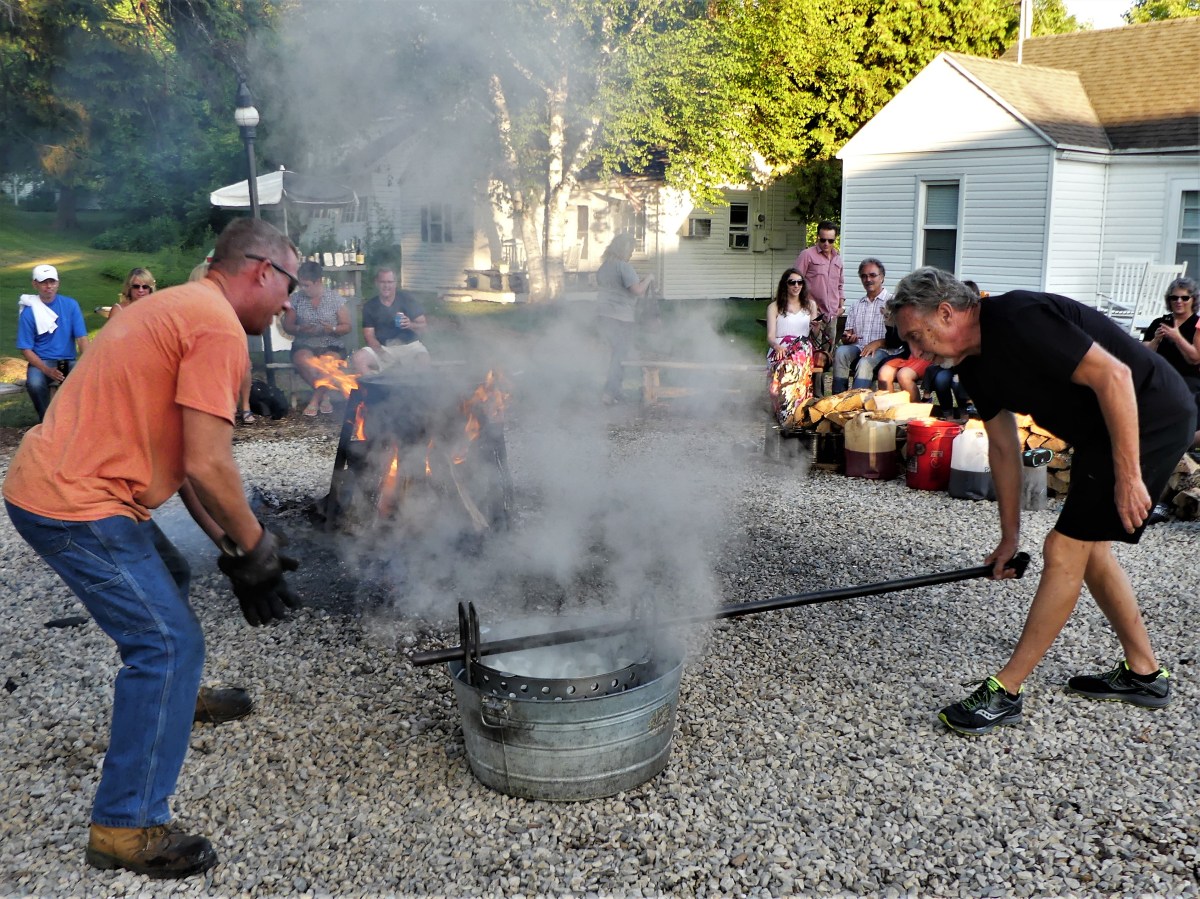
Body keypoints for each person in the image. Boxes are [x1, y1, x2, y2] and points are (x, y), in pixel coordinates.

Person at [3, 217, 302, 878]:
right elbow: (211, 462)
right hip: (75, 503)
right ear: (260, 271)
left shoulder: (182, 304)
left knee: (165, 573)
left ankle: (171, 698)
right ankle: (125, 825)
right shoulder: (219, 326)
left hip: (65, 485)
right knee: (166, 645)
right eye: (290, 285)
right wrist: (259, 552)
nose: (290, 304)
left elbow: (191, 467)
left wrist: (233, 546)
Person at [887, 267, 1195, 736]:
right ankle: (1145, 675)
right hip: (1100, 432)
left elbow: (1114, 377)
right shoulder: (973, 365)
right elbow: (1004, 447)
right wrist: (1008, 537)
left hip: (1148, 413)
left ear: (945, 312)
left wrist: (1130, 475)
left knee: (1064, 547)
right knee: (1090, 550)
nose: (914, 351)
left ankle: (1006, 691)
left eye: (915, 335)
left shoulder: (1018, 318)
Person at [1141, 276, 1200, 522]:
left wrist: (1176, 337)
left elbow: (1195, 358)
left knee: (1173, 438)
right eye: (1174, 297)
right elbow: (1140, 354)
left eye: (1184, 297)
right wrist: (1156, 339)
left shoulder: (1197, 324)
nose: (1179, 302)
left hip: (1188, 382)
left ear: (1192, 300)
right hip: (1161, 382)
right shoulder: (1160, 322)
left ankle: (1158, 500)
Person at [17, 264, 90, 422]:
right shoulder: (29, 312)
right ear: (35, 284)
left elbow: (82, 338)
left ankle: (80, 421)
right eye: (43, 282)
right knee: (35, 384)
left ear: (58, 283)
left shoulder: (71, 305)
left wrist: (89, 361)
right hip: (41, 362)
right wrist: (47, 369)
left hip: (66, 361)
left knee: (88, 378)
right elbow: (26, 349)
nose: (48, 286)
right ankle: (47, 421)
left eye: (52, 281)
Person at [282, 261, 350, 416]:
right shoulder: (296, 299)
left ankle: (315, 400)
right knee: (303, 360)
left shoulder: (334, 298)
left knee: (327, 363)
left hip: (331, 343)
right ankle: (324, 395)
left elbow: (347, 326)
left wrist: (331, 329)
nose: (303, 289)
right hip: (305, 343)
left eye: (306, 285)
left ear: (318, 281)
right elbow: (288, 326)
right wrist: (301, 329)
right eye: (301, 285)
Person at [595, 232, 655, 405]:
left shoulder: (605, 266)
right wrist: (649, 278)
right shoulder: (624, 267)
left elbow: (617, 287)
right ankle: (608, 394)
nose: (631, 254)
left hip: (603, 315)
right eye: (630, 250)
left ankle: (616, 391)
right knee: (619, 357)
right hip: (620, 318)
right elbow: (637, 291)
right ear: (623, 249)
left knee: (615, 354)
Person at [831, 258, 899, 394]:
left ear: (882, 278)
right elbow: (847, 335)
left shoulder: (893, 303)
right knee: (841, 352)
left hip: (885, 351)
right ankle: (837, 399)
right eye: (864, 276)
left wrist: (878, 343)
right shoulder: (856, 305)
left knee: (865, 362)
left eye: (872, 275)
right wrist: (848, 338)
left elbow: (899, 338)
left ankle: (856, 402)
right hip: (859, 348)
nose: (868, 279)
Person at [766, 268, 820, 427]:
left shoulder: (810, 305)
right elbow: (770, 336)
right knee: (786, 366)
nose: (796, 286)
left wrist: (816, 327)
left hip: (802, 350)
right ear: (785, 285)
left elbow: (815, 335)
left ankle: (794, 413)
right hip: (781, 348)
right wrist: (776, 346)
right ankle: (786, 412)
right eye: (792, 282)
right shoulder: (775, 307)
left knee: (802, 347)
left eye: (799, 282)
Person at [351, 267, 429, 375]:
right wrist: (381, 352)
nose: (386, 286)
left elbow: (424, 326)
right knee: (358, 358)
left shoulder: (407, 300)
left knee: (423, 359)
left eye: (389, 282)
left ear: (395, 283)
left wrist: (410, 324)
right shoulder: (370, 306)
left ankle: (412, 390)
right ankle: (376, 387)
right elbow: (369, 335)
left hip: (410, 347)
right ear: (377, 283)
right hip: (383, 348)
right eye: (382, 282)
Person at [794, 221, 844, 353]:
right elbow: (795, 281)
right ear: (817, 237)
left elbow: (840, 284)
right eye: (823, 240)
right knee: (811, 351)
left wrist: (840, 306)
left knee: (827, 355)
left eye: (830, 240)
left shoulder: (837, 259)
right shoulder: (807, 255)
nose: (826, 243)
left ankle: (823, 374)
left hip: (832, 314)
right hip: (813, 312)